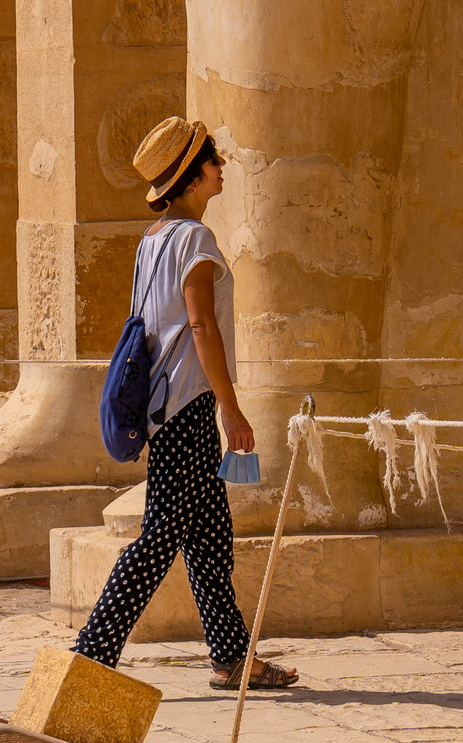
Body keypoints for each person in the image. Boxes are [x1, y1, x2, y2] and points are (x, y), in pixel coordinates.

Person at [72, 116, 299, 691]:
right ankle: (91, 655)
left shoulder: (152, 241)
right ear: (194, 178)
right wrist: (232, 407)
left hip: (162, 406)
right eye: (214, 161)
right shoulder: (195, 240)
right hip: (187, 407)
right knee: (158, 539)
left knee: (209, 538)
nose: (222, 167)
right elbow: (201, 326)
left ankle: (231, 657)